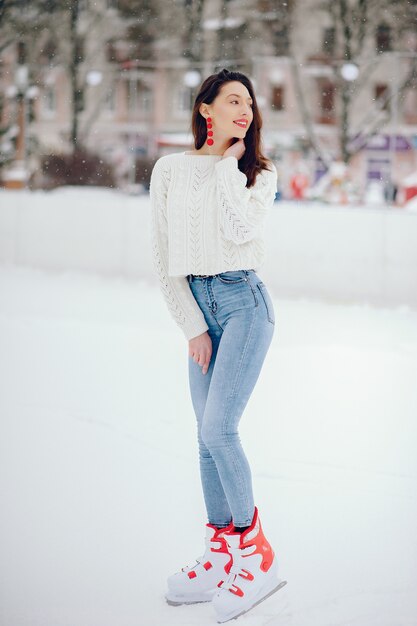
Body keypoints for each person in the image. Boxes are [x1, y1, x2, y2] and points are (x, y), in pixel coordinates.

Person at [149, 68, 286, 623]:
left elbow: (236, 233)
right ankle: (221, 551)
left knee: (218, 429)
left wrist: (230, 163)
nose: (245, 110)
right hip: (200, 309)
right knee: (204, 438)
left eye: (249, 103)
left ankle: (257, 553)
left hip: (244, 303)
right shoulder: (170, 170)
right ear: (205, 108)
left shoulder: (259, 174)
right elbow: (163, 257)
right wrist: (191, 326)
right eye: (233, 100)